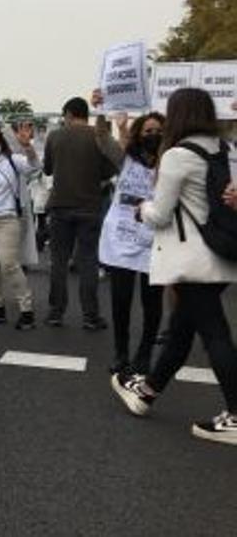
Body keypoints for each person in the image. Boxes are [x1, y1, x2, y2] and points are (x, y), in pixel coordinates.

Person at [112, 88, 237, 446]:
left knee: (216, 335)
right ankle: (146, 392)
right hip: (221, 252)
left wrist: (141, 209)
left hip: (190, 258)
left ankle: (235, 414)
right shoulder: (225, 149)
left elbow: (160, 213)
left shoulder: (178, 155)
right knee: (182, 331)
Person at [93, 101, 165, 374]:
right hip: (122, 241)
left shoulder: (173, 162)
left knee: (152, 302)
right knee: (120, 301)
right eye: (147, 131)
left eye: (158, 131)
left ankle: (145, 353)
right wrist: (100, 110)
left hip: (155, 240)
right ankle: (121, 353)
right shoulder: (126, 159)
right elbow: (101, 137)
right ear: (138, 135)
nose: (153, 135)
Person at [43, 97, 121, 329]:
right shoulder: (98, 135)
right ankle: (90, 316)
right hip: (90, 206)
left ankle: (56, 313)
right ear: (85, 114)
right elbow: (111, 168)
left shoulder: (55, 136)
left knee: (58, 261)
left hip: (59, 205)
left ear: (68, 114)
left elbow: (47, 169)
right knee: (88, 262)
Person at [0, 124, 41, 329]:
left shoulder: (13, 160)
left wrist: (27, 146)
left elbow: (35, 166)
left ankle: (26, 309)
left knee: (9, 264)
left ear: (1, 143)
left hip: (7, 219)